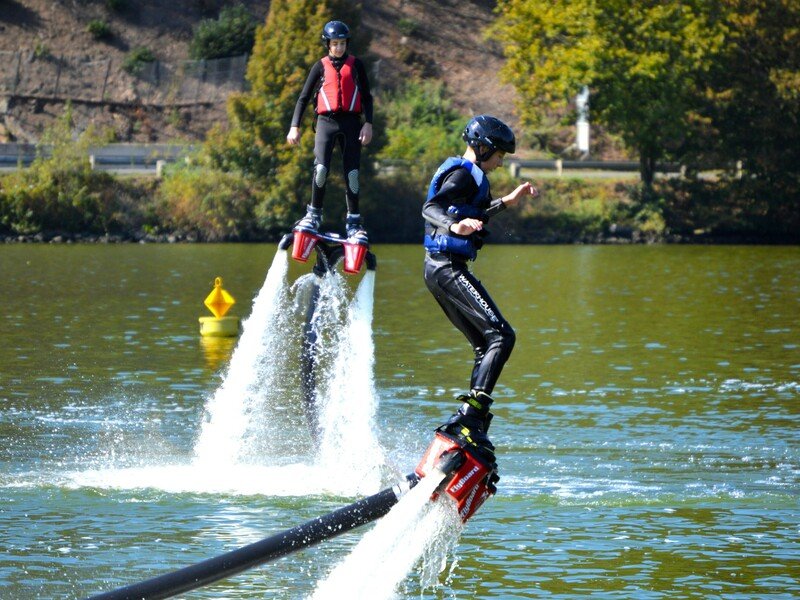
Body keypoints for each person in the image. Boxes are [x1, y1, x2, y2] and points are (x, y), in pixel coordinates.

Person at [422, 114, 538, 462]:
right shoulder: (461, 173)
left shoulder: (475, 179)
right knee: (502, 336)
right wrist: (454, 225)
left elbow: (475, 214)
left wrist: (506, 202)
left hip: (439, 269)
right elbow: (431, 208)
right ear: (483, 147)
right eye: (499, 154)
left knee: (485, 344)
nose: (502, 162)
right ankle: (471, 417)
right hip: (446, 267)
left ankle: (469, 426)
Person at [287, 20, 373, 243]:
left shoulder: (356, 65)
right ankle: (313, 215)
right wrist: (294, 126)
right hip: (326, 122)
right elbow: (303, 98)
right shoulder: (319, 66)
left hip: (352, 123)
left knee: (352, 175)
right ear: (327, 44)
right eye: (335, 43)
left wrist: (368, 123)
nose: (339, 48)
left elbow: (367, 97)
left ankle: (354, 222)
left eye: (342, 43)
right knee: (321, 169)